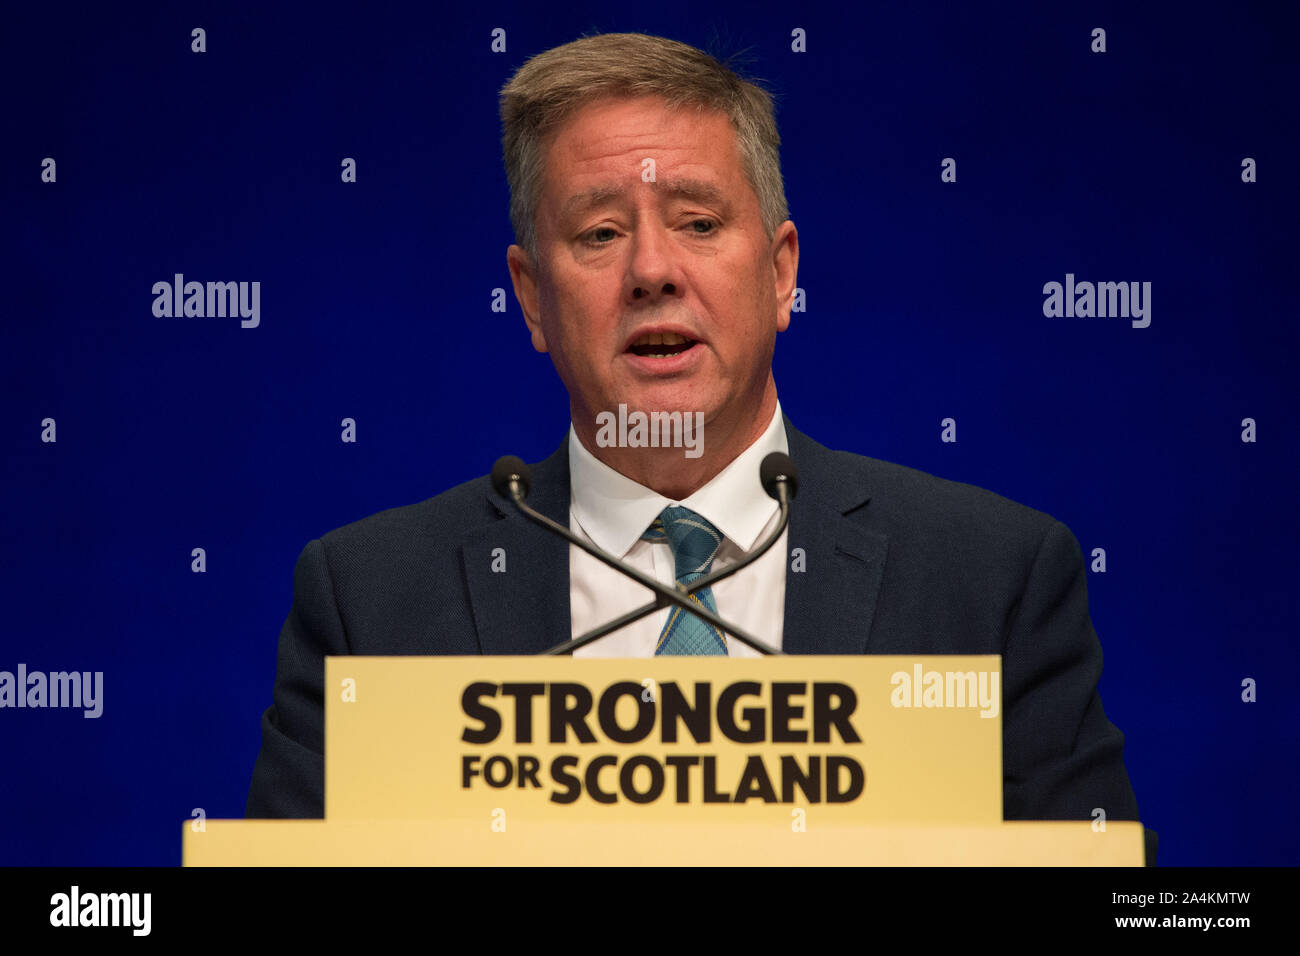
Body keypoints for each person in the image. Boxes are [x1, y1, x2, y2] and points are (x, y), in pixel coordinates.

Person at [245, 31, 1151, 862]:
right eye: (599, 233)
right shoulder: (370, 604)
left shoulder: (991, 580)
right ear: (528, 297)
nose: (651, 270)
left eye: (700, 222)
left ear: (782, 270)